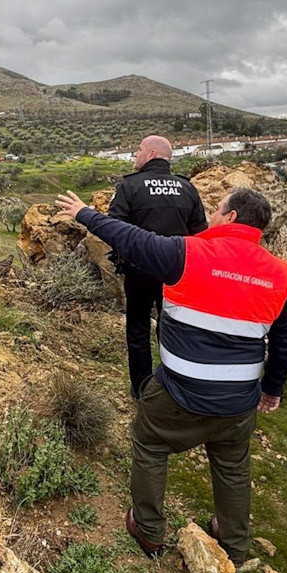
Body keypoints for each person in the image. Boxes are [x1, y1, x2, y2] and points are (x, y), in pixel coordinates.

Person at [55, 187, 287, 565]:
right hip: (238, 402)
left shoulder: (190, 252)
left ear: (231, 217)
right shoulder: (280, 273)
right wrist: (272, 389)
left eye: (217, 210)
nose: (212, 216)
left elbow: (131, 239)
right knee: (232, 465)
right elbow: (286, 340)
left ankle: (149, 531)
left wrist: (85, 213)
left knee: (151, 445)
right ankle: (233, 544)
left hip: (179, 392)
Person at [108, 135, 207, 399]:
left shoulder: (130, 186)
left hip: (139, 271)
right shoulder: (186, 188)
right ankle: (172, 386)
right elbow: (201, 234)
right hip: (177, 273)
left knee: (138, 328)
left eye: (138, 150)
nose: (135, 155)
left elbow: (114, 228)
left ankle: (141, 389)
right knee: (173, 327)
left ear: (152, 153)